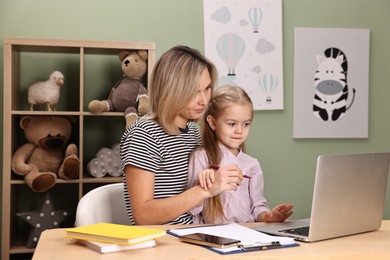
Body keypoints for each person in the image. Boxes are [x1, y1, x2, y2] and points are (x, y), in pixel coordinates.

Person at [120, 46, 244, 225]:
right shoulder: (144, 134)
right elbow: (143, 216)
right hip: (166, 243)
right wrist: (205, 190)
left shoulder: (193, 133)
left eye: (207, 88)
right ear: (171, 89)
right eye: (194, 91)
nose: (204, 100)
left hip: (200, 234)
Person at [187, 85, 294, 224]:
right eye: (232, 124)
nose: (240, 131)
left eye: (246, 124)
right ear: (212, 122)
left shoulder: (252, 164)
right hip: (215, 239)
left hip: (248, 234)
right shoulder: (201, 158)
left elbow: (257, 206)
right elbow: (192, 210)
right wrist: (202, 187)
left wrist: (268, 216)